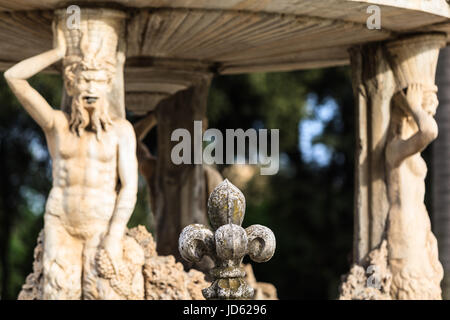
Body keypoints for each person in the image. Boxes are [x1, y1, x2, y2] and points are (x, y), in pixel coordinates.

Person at [4, 21, 138, 299]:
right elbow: (13, 77)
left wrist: (115, 234)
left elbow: (129, 187)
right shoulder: (57, 125)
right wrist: (58, 51)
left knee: (101, 293)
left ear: (108, 83)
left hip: (101, 225)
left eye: (98, 79)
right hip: (60, 221)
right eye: (84, 79)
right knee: (58, 293)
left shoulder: (121, 131)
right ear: (71, 82)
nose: (90, 86)